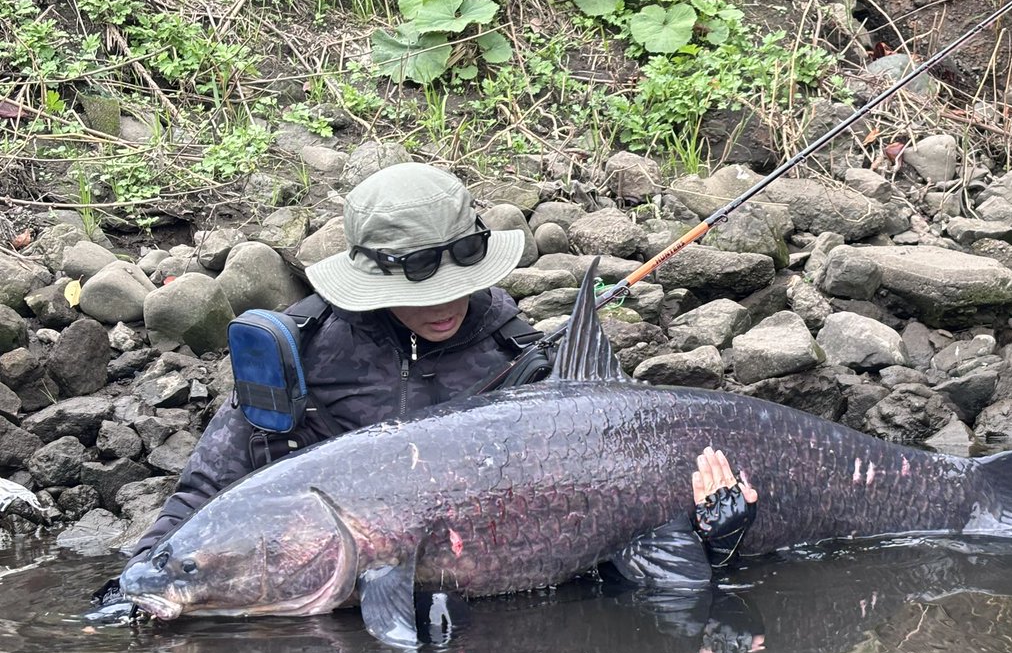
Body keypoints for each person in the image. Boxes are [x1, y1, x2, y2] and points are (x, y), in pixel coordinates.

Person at [111, 162, 758, 606]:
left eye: (458, 284)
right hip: (327, 592)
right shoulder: (294, 352)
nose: (443, 305)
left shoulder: (526, 362)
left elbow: (596, 545)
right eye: (416, 289)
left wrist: (710, 537)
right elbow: (203, 491)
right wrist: (134, 583)